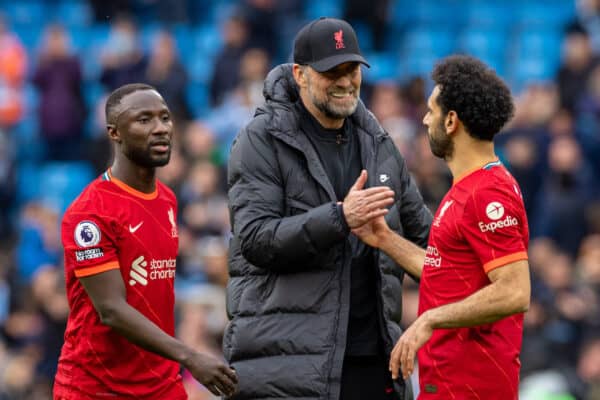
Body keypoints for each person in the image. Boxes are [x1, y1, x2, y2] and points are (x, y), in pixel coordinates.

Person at [224, 17, 432, 400]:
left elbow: (428, 238)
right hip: (288, 368)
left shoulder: (379, 144)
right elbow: (254, 239)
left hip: (374, 361)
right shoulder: (261, 140)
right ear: (300, 75)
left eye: (351, 69)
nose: (344, 81)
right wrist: (339, 217)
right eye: (330, 71)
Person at [353, 55, 531, 399]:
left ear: (451, 121)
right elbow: (445, 273)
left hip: (473, 387)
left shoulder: (488, 192)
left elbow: (515, 291)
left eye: (432, 110)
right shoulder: (466, 189)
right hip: (447, 383)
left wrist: (429, 320)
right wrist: (385, 239)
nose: (424, 118)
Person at [54, 83, 237, 399]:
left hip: (160, 384)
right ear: (114, 133)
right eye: (144, 120)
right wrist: (190, 355)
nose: (160, 129)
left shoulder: (166, 199)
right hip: (96, 387)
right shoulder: (90, 213)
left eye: (165, 118)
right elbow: (111, 309)